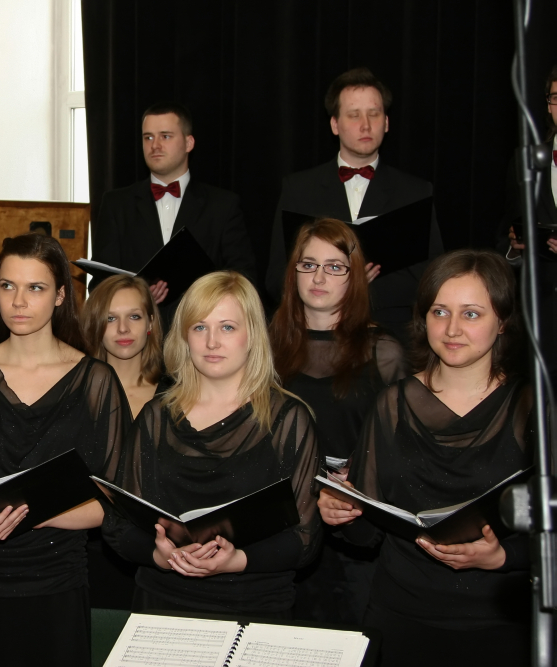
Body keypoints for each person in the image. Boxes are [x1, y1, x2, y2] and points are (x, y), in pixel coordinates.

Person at [318, 250, 532, 666]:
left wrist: (503, 557)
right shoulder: (392, 403)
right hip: (400, 617)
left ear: (503, 321)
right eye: (440, 311)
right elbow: (366, 536)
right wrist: (341, 510)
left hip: (501, 622)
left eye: (471, 314)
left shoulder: (532, 407)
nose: (452, 329)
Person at [0, 233, 131, 667]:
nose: (18, 301)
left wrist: (31, 513)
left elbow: (114, 504)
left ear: (60, 296)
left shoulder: (96, 382)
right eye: (8, 286)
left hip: (54, 582)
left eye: (35, 288)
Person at [102, 271, 321, 618]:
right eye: (200, 327)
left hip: (254, 607)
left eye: (227, 327)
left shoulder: (289, 420)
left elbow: (305, 537)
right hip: (162, 603)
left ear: (253, 335)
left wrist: (238, 560)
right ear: (184, 336)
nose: (212, 342)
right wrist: (159, 555)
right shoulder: (155, 417)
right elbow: (117, 525)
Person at [269, 218, 408, 624]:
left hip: (353, 534)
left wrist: (359, 485)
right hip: (281, 534)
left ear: (355, 276)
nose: (319, 277)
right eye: (308, 264)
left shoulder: (383, 351)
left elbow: (403, 453)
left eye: (334, 267)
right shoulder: (265, 348)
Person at [266, 67, 444, 343]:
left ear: (386, 122)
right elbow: (276, 277)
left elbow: (433, 278)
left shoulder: (415, 191)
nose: (366, 125)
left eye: (374, 114)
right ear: (335, 124)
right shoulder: (299, 189)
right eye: (354, 115)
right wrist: (333, 280)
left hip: (393, 336)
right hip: (315, 336)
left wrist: (358, 283)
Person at [89, 102, 257, 313]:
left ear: (188, 143)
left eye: (165, 136)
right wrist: (137, 296)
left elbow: (243, 277)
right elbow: (100, 284)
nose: (155, 145)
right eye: (148, 137)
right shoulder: (116, 204)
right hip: (138, 328)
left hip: (201, 324)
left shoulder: (223, 205)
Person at [501, 63, 557, 375]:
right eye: (556, 97)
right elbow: (505, 230)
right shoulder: (525, 161)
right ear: (548, 105)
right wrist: (515, 246)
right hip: (539, 314)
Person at [82, 274, 164, 418]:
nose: (123, 328)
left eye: (134, 316)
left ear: (150, 323)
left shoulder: (177, 397)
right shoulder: (74, 394)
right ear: (96, 325)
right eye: (110, 318)